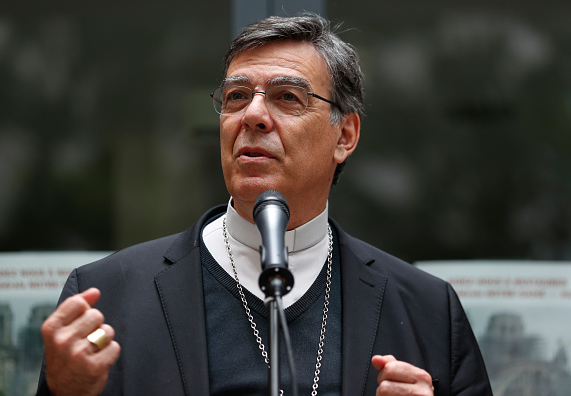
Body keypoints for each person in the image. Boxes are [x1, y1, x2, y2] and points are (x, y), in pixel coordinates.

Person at [37, 14, 492, 396]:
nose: (252, 116)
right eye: (237, 96)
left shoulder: (428, 310)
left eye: (286, 97)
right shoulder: (108, 300)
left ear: (345, 135)